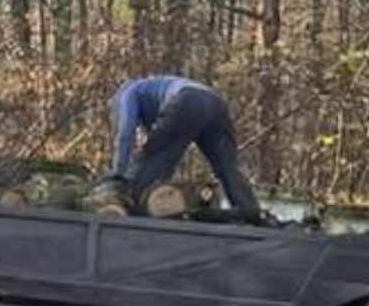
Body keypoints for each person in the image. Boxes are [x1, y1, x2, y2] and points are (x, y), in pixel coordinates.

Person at [109, 74, 259, 214]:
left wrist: (118, 174)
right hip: (215, 103)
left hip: (187, 100)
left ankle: (136, 215)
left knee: (152, 166)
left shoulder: (126, 94)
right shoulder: (150, 91)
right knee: (228, 168)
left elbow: (125, 134)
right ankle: (251, 214)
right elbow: (162, 134)